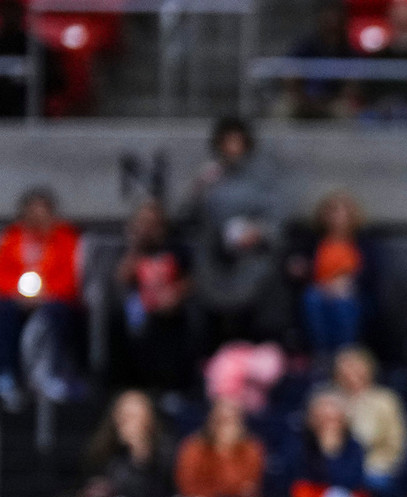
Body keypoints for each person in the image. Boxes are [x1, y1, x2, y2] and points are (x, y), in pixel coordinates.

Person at [187, 117, 290, 350]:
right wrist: (199, 188)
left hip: (252, 265)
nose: (232, 148)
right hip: (213, 266)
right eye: (227, 141)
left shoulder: (264, 178)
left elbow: (276, 218)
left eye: (237, 141)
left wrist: (260, 232)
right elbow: (191, 217)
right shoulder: (210, 176)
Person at [0, 187, 83, 406]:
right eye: (32, 211)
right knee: (4, 312)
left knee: (57, 314)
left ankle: (50, 373)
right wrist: (18, 294)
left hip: (53, 302)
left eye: (42, 211)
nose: (37, 217)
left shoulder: (65, 238)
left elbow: (71, 278)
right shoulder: (12, 238)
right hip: (16, 301)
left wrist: (46, 294)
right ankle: (8, 375)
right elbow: (3, 274)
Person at [109, 198, 196, 395]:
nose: (148, 228)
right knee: (122, 320)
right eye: (143, 222)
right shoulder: (131, 250)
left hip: (170, 308)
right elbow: (122, 278)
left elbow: (192, 279)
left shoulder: (176, 249)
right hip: (138, 307)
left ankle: (171, 389)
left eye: (152, 223)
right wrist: (136, 246)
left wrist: (176, 292)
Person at [82, 390, 177, 497]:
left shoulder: (166, 450)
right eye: (123, 415)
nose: (127, 422)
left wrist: (140, 454)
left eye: (133, 415)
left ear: (148, 418)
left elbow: (158, 493)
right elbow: (94, 482)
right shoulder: (104, 451)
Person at [282, 390, 370, 497]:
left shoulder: (354, 447)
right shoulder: (299, 443)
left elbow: (348, 483)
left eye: (333, 418)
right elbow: (297, 479)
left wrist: (330, 453)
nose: (328, 424)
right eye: (323, 418)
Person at [295, 189, 372, 358]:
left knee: (344, 302)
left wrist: (348, 284)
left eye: (343, 211)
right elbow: (302, 268)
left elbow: (371, 275)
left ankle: (345, 356)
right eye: (333, 211)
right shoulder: (313, 241)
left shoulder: (364, 242)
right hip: (319, 290)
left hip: (351, 294)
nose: (338, 217)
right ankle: (321, 355)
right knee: (312, 298)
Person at [328, 345, 407, 480]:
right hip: (332, 469)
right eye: (346, 366)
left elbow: (395, 444)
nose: (350, 371)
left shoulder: (385, 400)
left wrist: (369, 468)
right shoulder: (327, 399)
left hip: (373, 469)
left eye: (355, 365)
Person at [278, 2, 358, 120]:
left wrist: (329, 101)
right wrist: (303, 100)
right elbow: (290, 77)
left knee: (345, 111)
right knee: (282, 109)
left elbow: (352, 86)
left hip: (333, 101)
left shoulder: (348, 51)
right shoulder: (305, 46)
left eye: (336, 20)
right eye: (327, 21)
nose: (332, 24)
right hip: (302, 99)